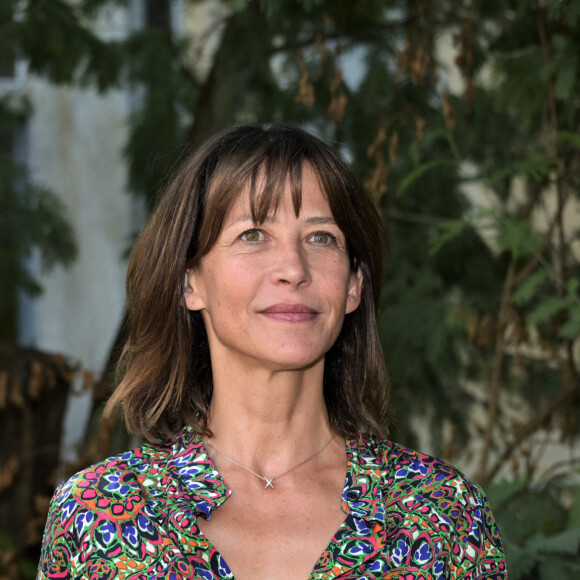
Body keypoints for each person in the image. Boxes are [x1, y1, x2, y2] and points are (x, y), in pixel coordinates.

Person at [37, 124, 508, 579]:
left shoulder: (444, 513)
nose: (292, 268)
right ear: (189, 281)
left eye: (321, 237)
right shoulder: (100, 516)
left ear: (353, 286)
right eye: (253, 235)